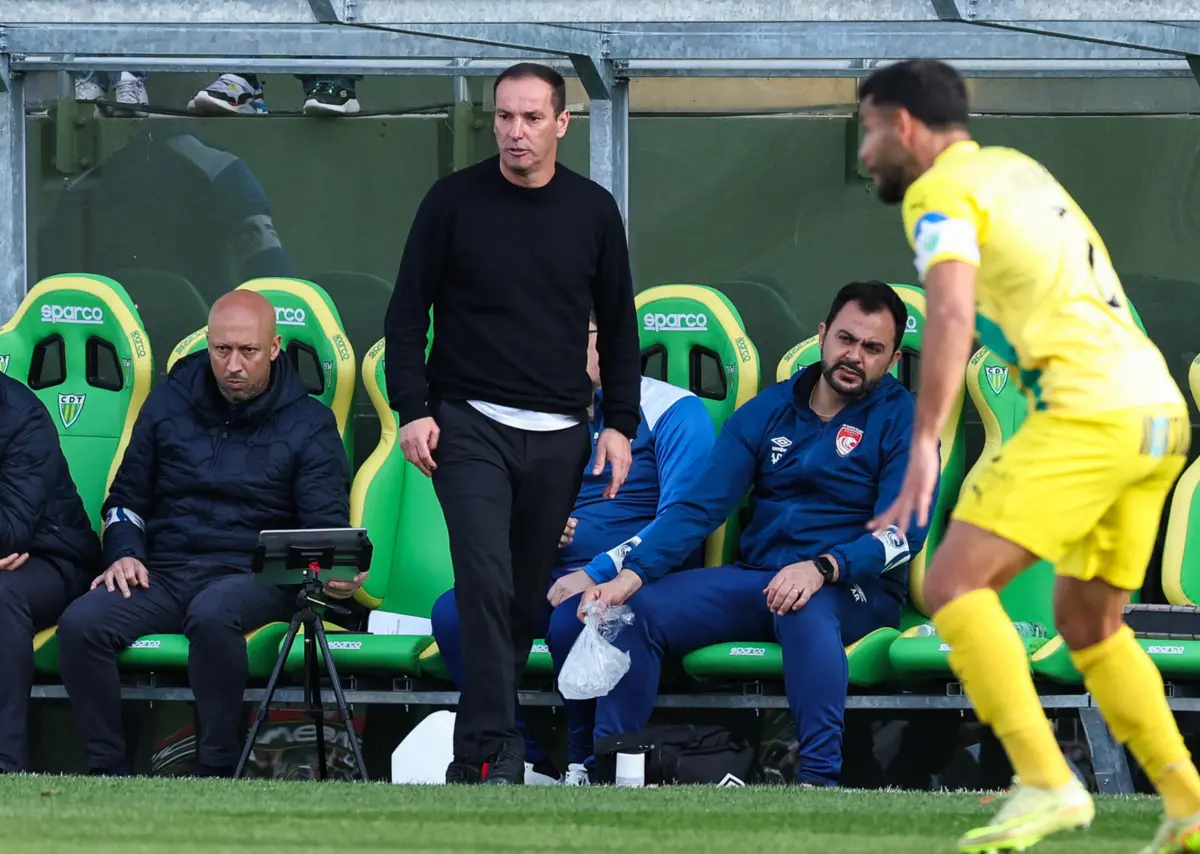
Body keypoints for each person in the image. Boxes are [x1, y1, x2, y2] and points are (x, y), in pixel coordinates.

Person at [857, 59, 1199, 854]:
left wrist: (926, 441)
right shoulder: (1019, 172)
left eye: (869, 129)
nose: (867, 151)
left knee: (948, 582)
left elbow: (947, 314)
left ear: (904, 125)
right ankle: (1185, 802)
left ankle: (1045, 780)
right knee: (1089, 619)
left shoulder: (936, 192)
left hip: (1085, 409)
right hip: (1155, 413)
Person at [384, 60, 642, 785]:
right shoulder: (452, 202)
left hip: (560, 430)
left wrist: (617, 422)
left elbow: (621, 325)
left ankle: (509, 748)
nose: (515, 132)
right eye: (504, 117)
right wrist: (414, 411)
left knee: (522, 599)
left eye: (531, 118)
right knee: (484, 580)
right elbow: (406, 315)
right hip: (467, 424)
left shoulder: (592, 210)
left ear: (562, 124)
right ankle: (489, 756)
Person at [580, 281, 934, 787]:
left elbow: (904, 534)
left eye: (872, 348)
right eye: (845, 339)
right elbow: (699, 509)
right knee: (633, 610)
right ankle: (614, 773)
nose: (854, 356)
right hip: (759, 580)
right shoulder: (768, 411)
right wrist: (630, 575)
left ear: (893, 358)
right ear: (822, 335)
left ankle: (818, 781)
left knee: (802, 603)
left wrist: (823, 567)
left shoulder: (907, 422)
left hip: (852, 590)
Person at [55, 290, 363, 777]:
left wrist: (333, 571)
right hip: (166, 570)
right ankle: (106, 771)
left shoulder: (310, 423)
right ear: (208, 345)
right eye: (222, 350)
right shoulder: (168, 402)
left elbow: (323, 529)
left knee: (214, 612)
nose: (233, 365)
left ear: (275, 347)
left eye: (248, 351)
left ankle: (217, 768)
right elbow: (124, 502)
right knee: (81, 624)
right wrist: (124, 553)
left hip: (253, 577)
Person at [429, 312, 715, 785]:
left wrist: (601, 568)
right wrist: (531, 525)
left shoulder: (674, 409)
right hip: (541, 573)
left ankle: (582, 761)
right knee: (456, 613)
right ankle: (522, 755)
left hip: (633, 579)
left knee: (574, 618)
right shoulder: (536, 415)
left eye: (570, 335)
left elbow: (682, 520)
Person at [0, 374, 101, 773]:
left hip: (50, 557)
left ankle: (5, 763)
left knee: (2, 594)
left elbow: (12, 532)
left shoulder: (19, 414)